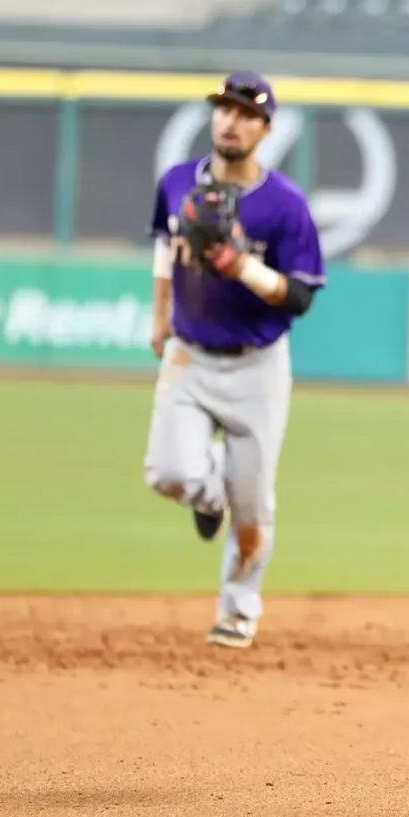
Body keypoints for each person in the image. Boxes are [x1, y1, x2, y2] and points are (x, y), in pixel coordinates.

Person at [143, 71, 326, 649]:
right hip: (189, 354)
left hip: (258, 365)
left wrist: (238, 265)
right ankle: (207, 495)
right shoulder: (177, 182)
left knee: (254, 503)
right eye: (224, 108)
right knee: (169, 474)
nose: (231, 119)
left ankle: (238, 611)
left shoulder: (284, 206)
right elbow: (163, 245)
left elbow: (300, 295)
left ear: (265, 129)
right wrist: (160, 315)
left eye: (246, 113)